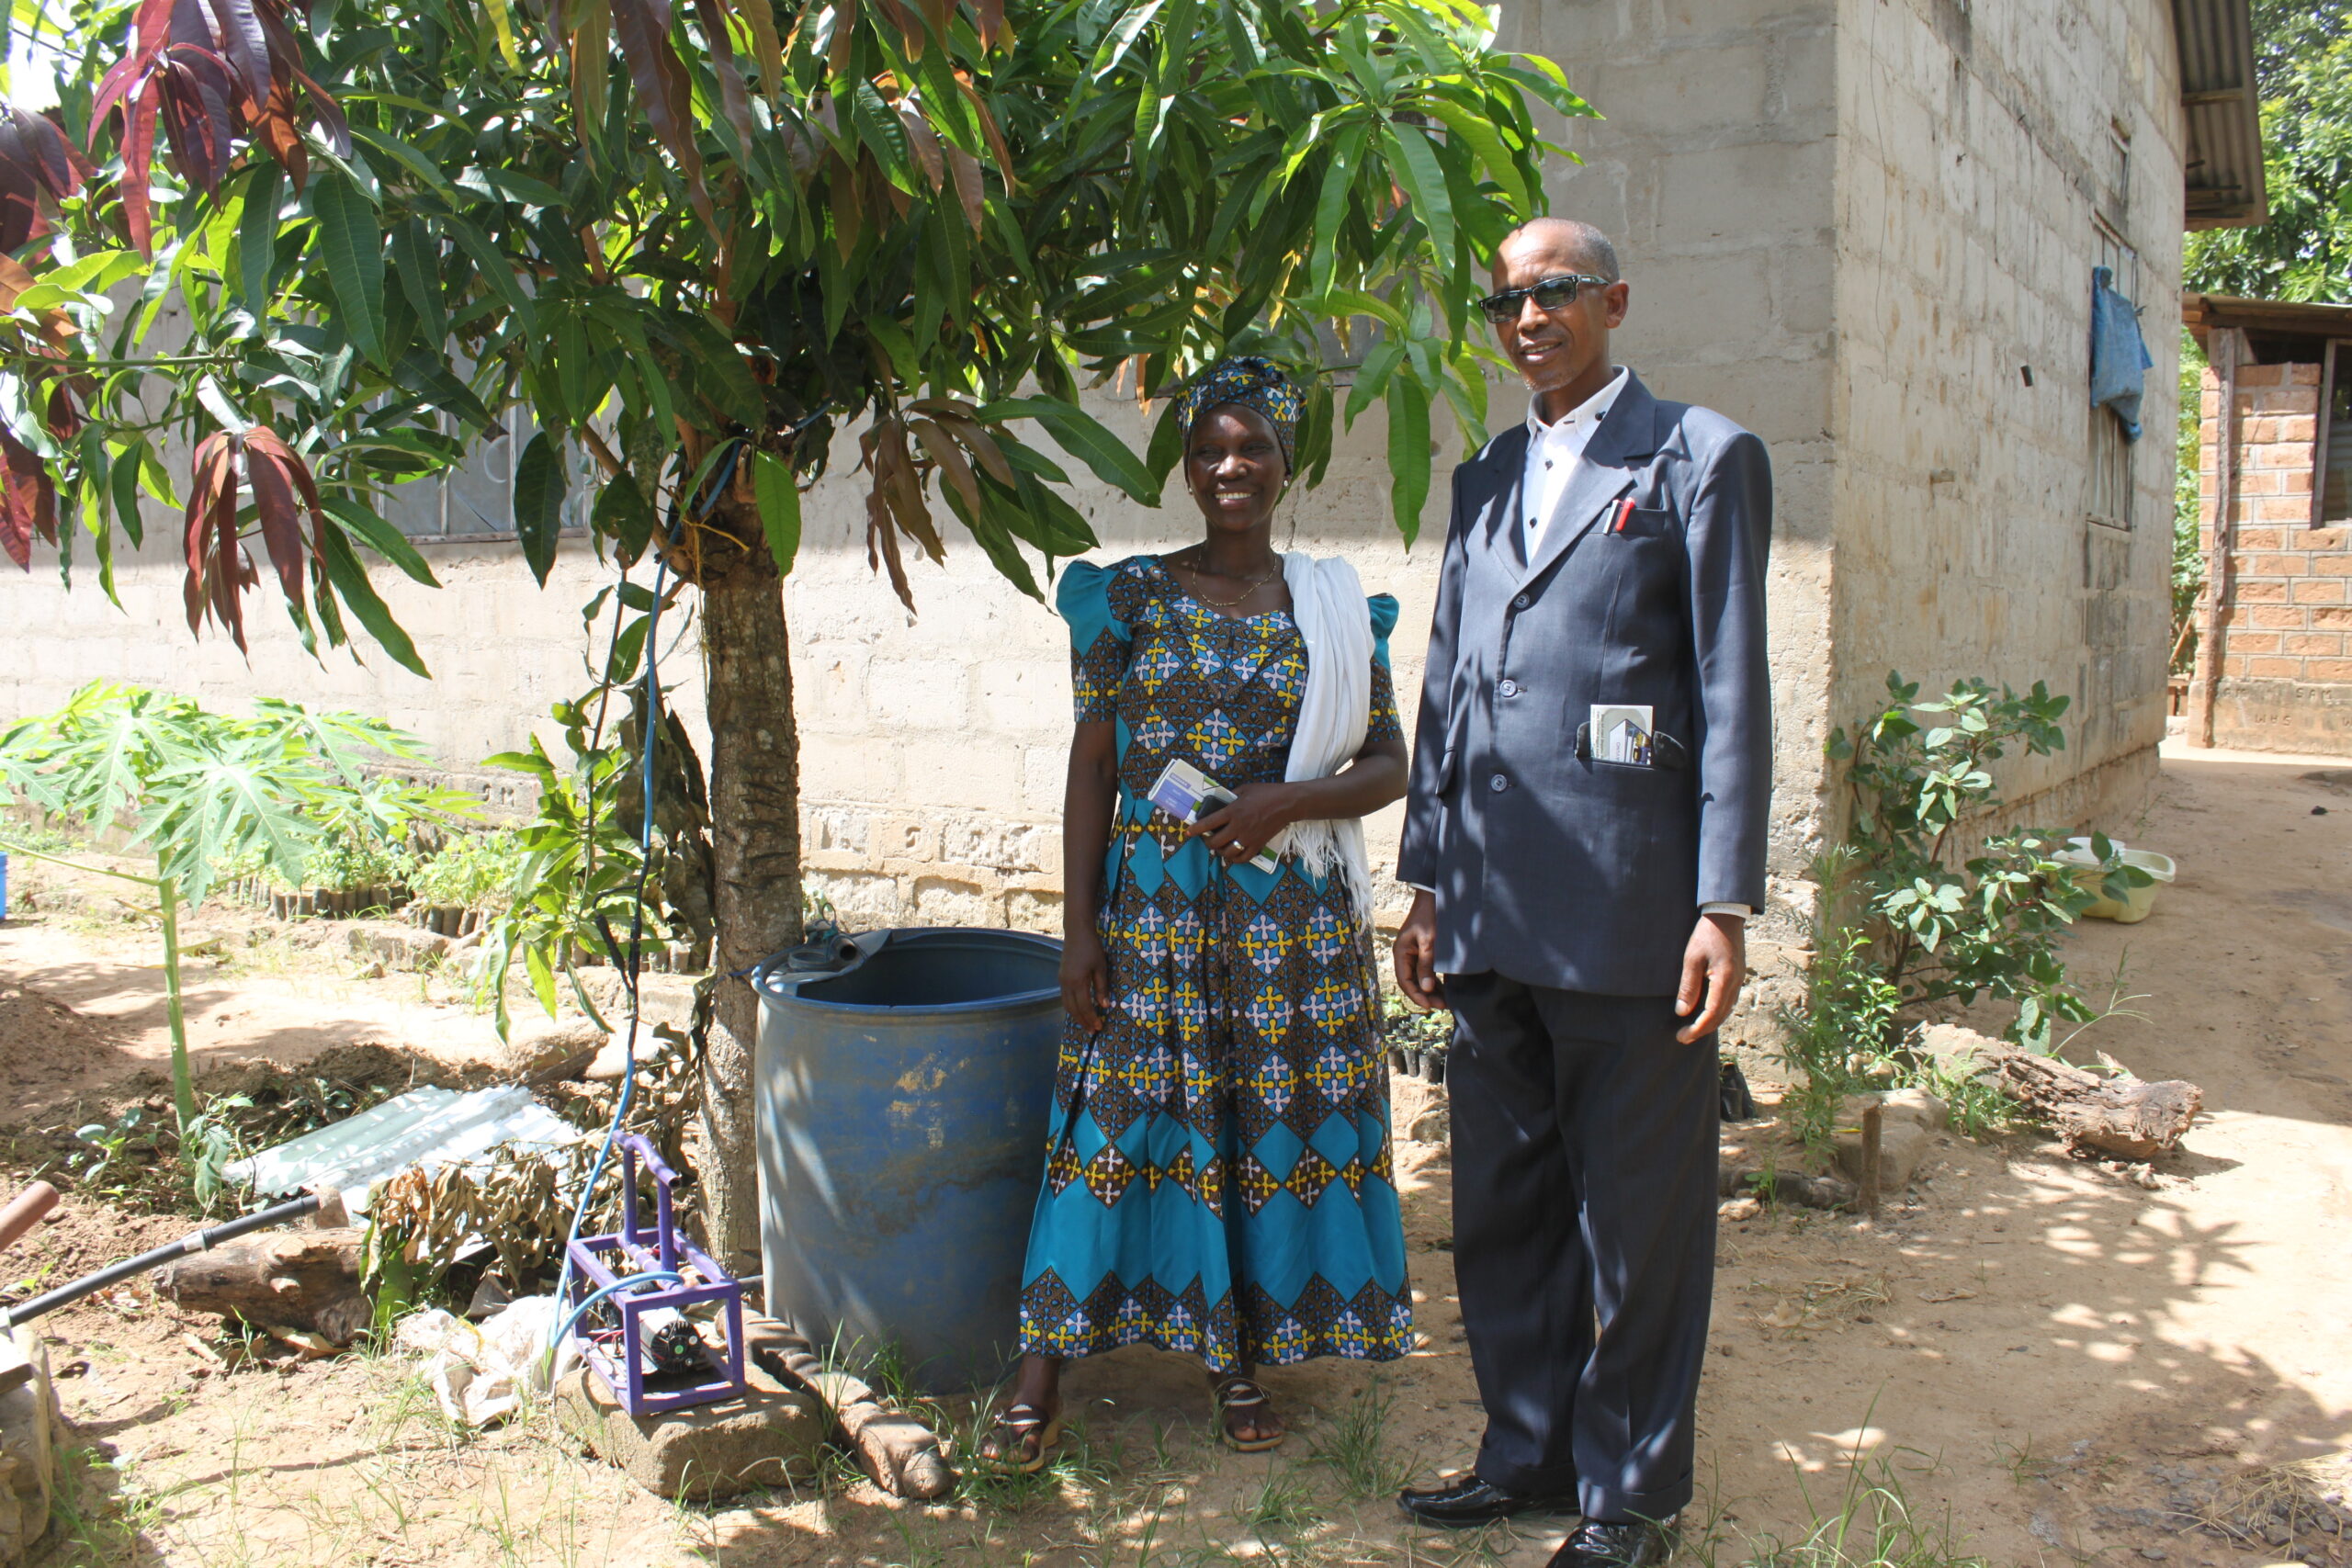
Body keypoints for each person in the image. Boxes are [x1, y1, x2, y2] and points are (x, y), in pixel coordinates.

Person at [1390, 219, 1773, 1567]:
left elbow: (1731, 691)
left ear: (1613, 298)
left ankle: (1628, 1497)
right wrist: (1425, 877)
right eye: (1505, 298)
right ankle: (1525, 1449)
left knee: (1639, 1223)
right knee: (1501, 1206)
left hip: (1629, 918)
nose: (1527, 315)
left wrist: (1722, 901)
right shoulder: (1487, 474)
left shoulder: (1697, 458)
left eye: (1553, 291)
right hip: (1490, 909)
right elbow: (1446, 688)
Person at [978, 356, 1415, 1471]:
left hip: (1290, 929)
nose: (1233, 466)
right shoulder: (1125, 598)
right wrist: (1078, 929)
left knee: (1248, 1129)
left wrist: (1289, 801)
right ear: (1186, 469)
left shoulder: (1331, 606)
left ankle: (1237, 1362)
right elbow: (1092, 771)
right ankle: (1042, 1371)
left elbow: (1389, 762)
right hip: (1153, 921)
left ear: (1284, 466)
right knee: (1111, 1128)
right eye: (1212, 450)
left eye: (1253, 448)